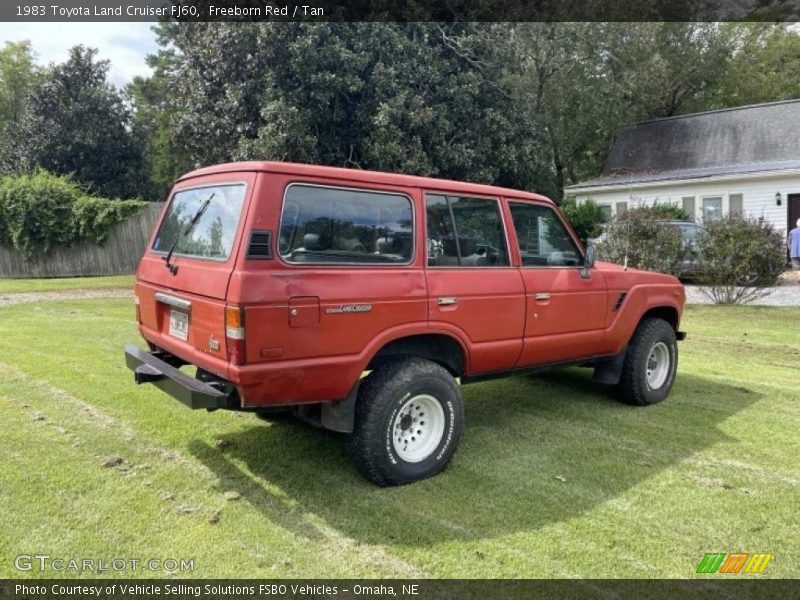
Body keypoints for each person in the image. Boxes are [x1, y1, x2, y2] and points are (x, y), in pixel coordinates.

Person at [790, 218, 800, 283]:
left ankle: (799, 279)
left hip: (794, 253)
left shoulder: (792, 232)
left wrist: (791, 250)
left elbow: (789, 242)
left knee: (796, 268)